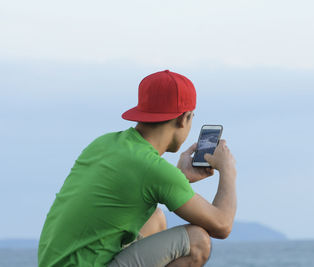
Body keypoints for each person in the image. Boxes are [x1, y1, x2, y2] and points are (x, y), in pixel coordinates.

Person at [38, 70, 237, 267]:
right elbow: (222, 225)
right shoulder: (153, 169)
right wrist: (228, 170)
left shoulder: (103, 144)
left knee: (155, 218)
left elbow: (139, 182)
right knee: (198, 241)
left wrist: (180, 176)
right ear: (183, 118)